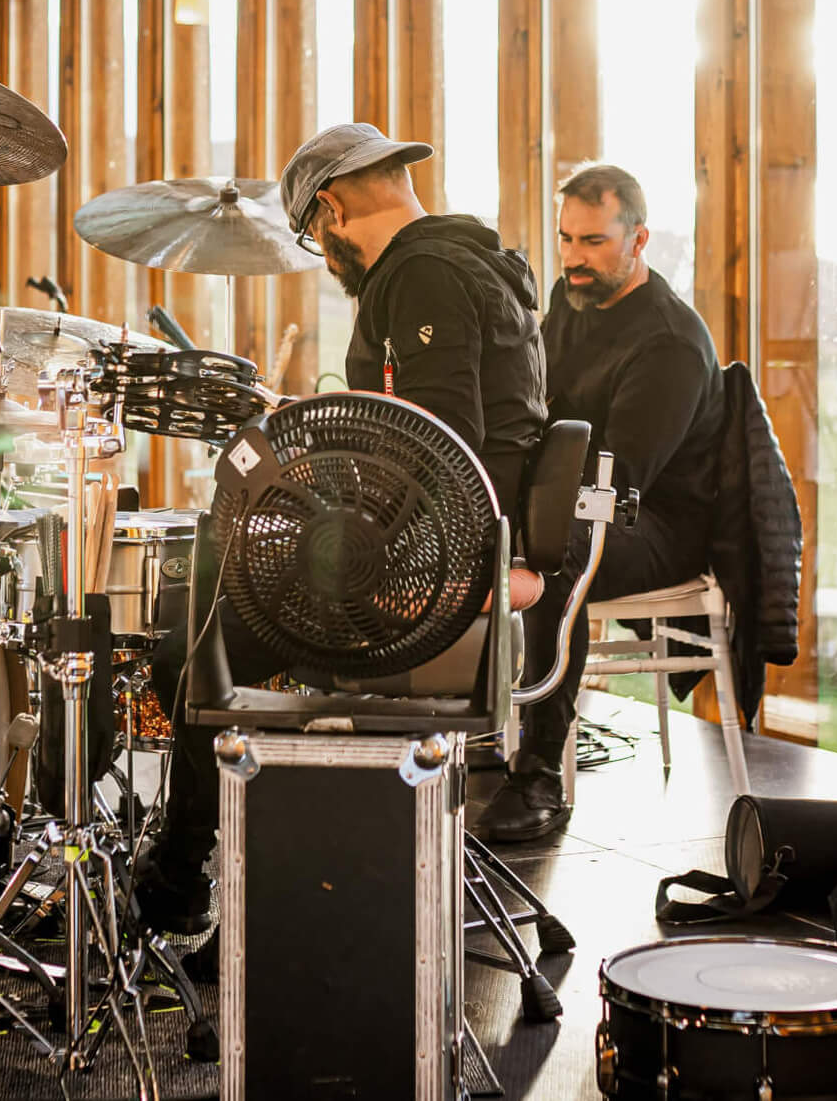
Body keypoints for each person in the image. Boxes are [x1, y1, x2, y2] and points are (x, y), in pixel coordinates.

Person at [137, 123, 550, 933]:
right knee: (216, 598)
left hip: (430, 569)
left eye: (313, 238)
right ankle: (231, 855)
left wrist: (315, 467)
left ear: (329, 210)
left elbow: (440, 448)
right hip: (464, 547)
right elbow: (432, 435)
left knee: (191, 636)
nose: (325, 261)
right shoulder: (473, 262)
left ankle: (184, 876)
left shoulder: (420, 275)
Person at [481, 163, 729, 842]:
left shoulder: (670, 342)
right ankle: (479, 725)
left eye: (593, 241)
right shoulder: (575, 297)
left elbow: (618, 482)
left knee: (557, 546)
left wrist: (532, 500)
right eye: (566, 238)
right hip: (578, 496)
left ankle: (539, 773)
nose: (573, 257)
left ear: (639, 239)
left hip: (654, 523)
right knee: (484, 522)